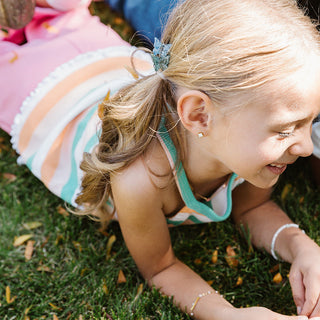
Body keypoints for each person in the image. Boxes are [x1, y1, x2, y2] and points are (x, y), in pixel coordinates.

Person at [1, 0, 320, 319]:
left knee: (60, 18)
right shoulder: (139, 178)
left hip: (98, 60)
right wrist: (228, 314)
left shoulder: (239, 143)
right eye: (285, 130)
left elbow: (252, 206)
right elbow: (161, 268)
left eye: (310, 123)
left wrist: (302, 248)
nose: (306, 147)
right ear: (198, 115)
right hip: (47, 95)